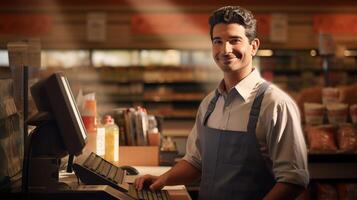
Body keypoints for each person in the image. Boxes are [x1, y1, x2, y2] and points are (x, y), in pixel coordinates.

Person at [134, 5, 309, 200]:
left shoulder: (275, 104)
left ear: (254, 46)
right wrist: (162, 179)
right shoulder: (209, 104)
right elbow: (196, 162)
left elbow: (293, 180)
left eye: (235, 40)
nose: (225, 49)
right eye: (218, 41)